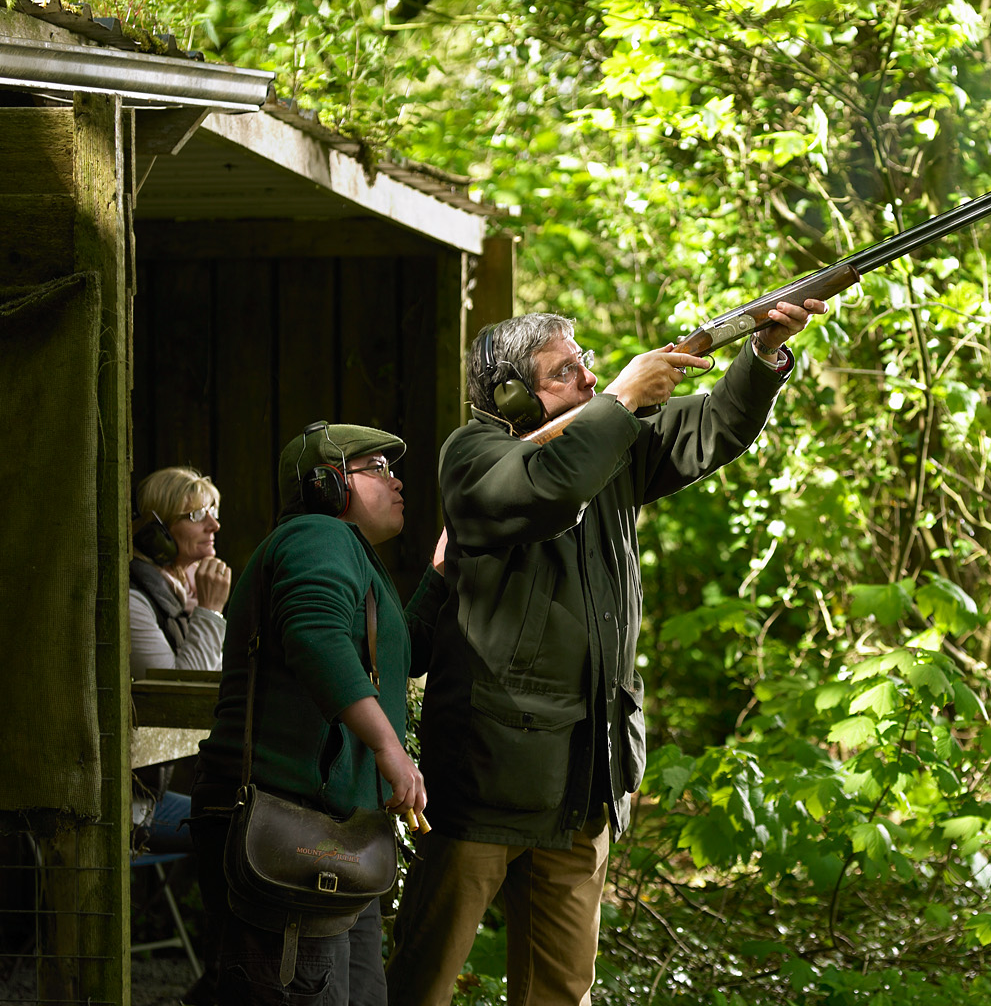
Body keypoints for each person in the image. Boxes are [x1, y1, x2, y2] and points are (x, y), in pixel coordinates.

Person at [387, 299, 825, 1006]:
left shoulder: (607, 438)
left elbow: (712, 426)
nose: (590, 378)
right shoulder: (472, 457)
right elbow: (553, 487)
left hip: (586, 773)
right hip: (487, 774)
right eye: (568, 370)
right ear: (511, 394)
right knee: (424, 981)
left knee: (563, 990)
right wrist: (622, 400)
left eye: (588, 363)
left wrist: (763, 357)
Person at [187, 422, 446, 1005]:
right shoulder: (315, 534)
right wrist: (389, 749)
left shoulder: (348, 555)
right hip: (288, 832)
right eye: (378, 469)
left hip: (330, 839)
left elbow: (397, 654)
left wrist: (440, 575)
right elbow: (316, 635)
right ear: (327, 484)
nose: (397, 480)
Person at [128, 466, 232, 854]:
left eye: (214, 512)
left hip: (152, 795)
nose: (214, 525)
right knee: (235, 833)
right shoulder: (135, 601)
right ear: (157, 532)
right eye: (196, 515)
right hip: (131, 808)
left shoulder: (178, 599)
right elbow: (181, 701)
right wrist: (209, 612)